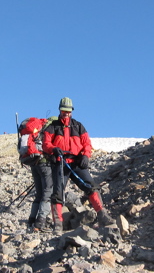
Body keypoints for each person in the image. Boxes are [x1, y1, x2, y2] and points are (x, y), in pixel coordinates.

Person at [42, 97, 115, 234]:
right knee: (58, 193)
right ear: (60, 110)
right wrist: (53, 149)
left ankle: (102, 215)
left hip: (77, 162)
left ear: (72, 111)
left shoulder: (78, 126)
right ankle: (58, 224)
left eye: (68, 111)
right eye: (64, 110)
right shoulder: (52, 127)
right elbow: (46, 143)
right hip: (60, 162)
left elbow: (87, 143)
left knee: (91, 186)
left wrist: (86, 156)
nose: (66, 113)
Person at [18, 116, 53, 232]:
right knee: (47, 192)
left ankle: (31, 221)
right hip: (44, 163)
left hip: (34, 163)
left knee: (39, 193)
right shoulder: (48, 129)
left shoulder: (35, 129)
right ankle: (40, 222)